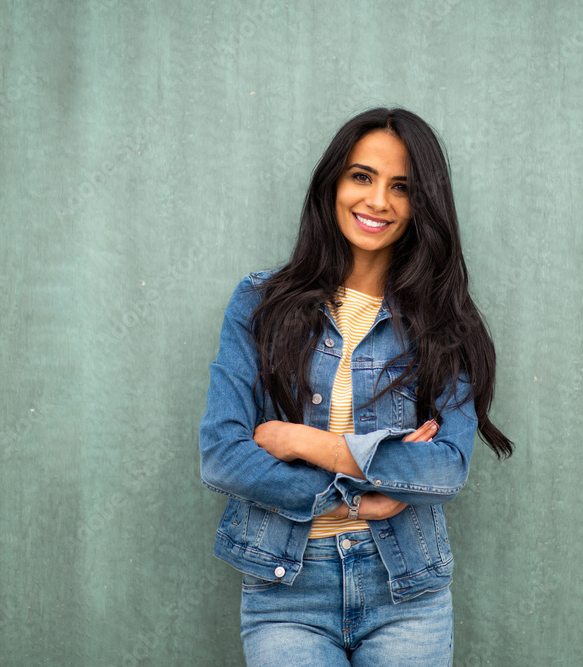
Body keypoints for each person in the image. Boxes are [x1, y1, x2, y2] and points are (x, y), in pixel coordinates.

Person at [199, 107, 513, 666]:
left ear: (422, 206)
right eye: (361, 177)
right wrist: (368, 491)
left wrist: (303, 443)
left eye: (401, 187)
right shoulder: (258, 305)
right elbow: (222, 457)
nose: (377, 201)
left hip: (407, 591)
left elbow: (445, 469)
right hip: (286, 592)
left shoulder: (445, 323)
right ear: (333, 184)